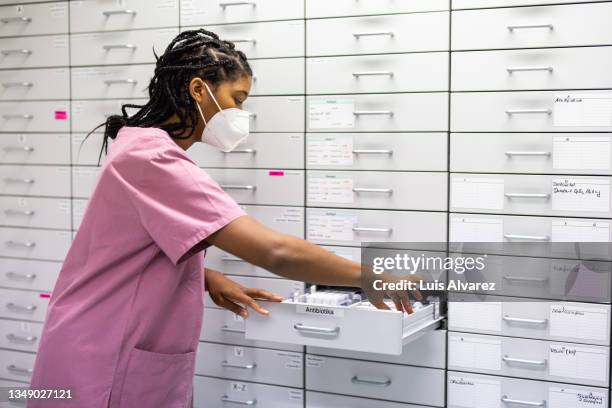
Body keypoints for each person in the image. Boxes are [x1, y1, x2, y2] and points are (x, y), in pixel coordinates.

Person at [27, 29, 418, 408]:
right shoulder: (154, 160)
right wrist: (370, 276)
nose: (241, 114)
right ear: (198, 90)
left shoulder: (142, 147)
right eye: (237, 99)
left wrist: (204, 277)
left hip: (98, 338)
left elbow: (128, 249)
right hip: (103, 355)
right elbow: (275, 252)